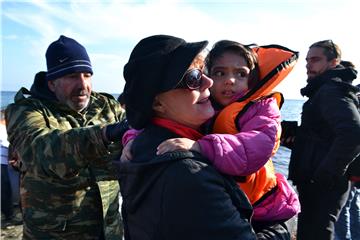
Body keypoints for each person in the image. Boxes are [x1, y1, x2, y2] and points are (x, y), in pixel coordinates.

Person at [127, 40, 300, 239]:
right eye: (219, 73)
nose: (229, 81)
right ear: (157, 103)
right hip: (243, 207)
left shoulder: (260, 108)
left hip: (265, 205)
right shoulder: (187, 164)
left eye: (240, 74)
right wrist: (132, 137)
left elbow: (254, 148)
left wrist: (201, 146)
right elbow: (141, 120)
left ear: (252, 80)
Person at [118, 34, 257, 240]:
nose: (208, 82)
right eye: (192, 78)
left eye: (204, 72)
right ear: (157, 104)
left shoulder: (141, 147)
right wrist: (278, 230)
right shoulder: (189, 174)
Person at [5, 35, 128, 239]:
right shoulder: (26, 110)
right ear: (52, 83)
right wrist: (105, 134)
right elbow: (39, 151)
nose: (83, 84)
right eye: (72, 76)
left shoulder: (108, 106)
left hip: (109, 231)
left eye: (87, 75)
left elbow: (135, 140)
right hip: (55, 235)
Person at [284, 40, 360, 239]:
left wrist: (324, 175)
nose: (309, 65)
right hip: (319, 180)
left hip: (323, 184)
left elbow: (353, 133)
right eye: (308, 60)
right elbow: (324, 136)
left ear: (334, 62)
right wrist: (297, 136)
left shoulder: (331, 90)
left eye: (315, 60)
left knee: (315, 234)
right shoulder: (324, 90)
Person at [335, 77, 360, 240]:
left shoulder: (354, 99)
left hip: (353, 165)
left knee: (344, 205)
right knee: (352, 203)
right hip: (355, 165)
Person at [1, 109, 22, 228]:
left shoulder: (11, 129)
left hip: (12, 164)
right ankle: (10, 216)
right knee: (6, 190)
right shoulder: (5, 128)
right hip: (6, 163)